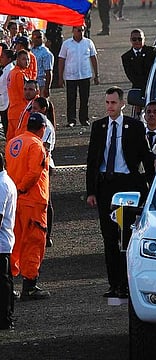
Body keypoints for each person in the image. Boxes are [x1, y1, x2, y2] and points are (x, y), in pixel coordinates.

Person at [86, 87, 152, 299]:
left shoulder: (134, 126)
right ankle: (114, 284)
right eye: (107, 102)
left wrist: (152, 188)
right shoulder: (99, 127)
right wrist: (91, 191)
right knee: (109, 237)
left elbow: (145, 157)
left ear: (122, 104)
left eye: (113, 103)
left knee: (126, 236)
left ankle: (126, 284)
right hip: (106, 186)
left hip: (127, 187)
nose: (109, 107)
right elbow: (92, 161)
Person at [5, 112, 50, 300]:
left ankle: (8, 286)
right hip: (31, 201)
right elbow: (33, 173)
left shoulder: (13, 142)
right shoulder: (36, 145)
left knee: (14, 243)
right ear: (42, 128)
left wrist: (16, 191)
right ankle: (29, 286)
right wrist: (22, 189)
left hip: (15, 201)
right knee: (33, 242)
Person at [58, 25, 99, 128]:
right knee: (71, 99)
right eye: (79, 30)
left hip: (85, 75)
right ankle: (71, 120)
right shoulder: (66, 44)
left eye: (82, 30)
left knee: (84, 99)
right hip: (71, 75)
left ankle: (84, 119)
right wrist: (60, 77)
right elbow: (61, 60)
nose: (81, 32)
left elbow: (93, 58)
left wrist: (96, 75)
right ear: (73, 30)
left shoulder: (88, 42)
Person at [32, 97, 56, 248]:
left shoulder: (45, 126)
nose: (32, 110)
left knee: (45, 201)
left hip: (44, 165)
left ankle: (47, 235)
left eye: (35, 108)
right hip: (36, 164)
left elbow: (44, 149)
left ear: (43, 109)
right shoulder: (35, 121)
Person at [0, 153, 17, 330]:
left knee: (3, 284)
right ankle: (6, 316)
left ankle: (5, 318)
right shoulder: (5, 182)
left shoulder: (2, 185)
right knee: (5, 282)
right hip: (4, 241)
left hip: (1, 242)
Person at [121, 29, 156, 99]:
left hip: (153, 86)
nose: (137, 41)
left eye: (140, 39)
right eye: (134, 39)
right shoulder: (126, 57)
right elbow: (130, 75)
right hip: (138, 88)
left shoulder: (152, 52)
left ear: (144, 39)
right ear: (131, 40)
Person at [6, 49, 30, 142]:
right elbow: (25, 94)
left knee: (11, 139)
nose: (27, 62)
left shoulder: (11, 72)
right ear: (18, 60)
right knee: (20, 140)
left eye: (28, 59)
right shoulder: (20, 74)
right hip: (21, 112)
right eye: (24, 59)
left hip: (12, 111)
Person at [144, 101, 156, 185]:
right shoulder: (138, 134)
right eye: (148, 112)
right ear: (144, 116)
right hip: (142, 181)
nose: (151, 114)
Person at [31, 30, 54, 98]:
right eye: (34, 37)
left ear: (43, 38)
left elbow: (48, 72)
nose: (36, 39)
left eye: (39, 37)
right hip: (31, 84)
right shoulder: (31, 50)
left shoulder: (46, 53)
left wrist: (47, 88)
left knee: (41, 106)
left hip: (41, 84)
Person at [0, 48, 15, 134]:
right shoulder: (5, 69)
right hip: (3, 100)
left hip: (8, 101)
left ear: (9, 59)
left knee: (8, 126)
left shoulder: (10, 71)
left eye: (2, 57)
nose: (0, 58)